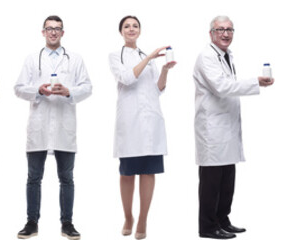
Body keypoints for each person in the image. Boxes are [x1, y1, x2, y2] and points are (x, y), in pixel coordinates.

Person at [194, 15, 275, 240]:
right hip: (211, 129)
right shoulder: (206, 57)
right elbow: (221, 87)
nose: (226, 34)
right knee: (211, 181)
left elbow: (228, 87)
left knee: (227, 178)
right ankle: (208, 227)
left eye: (229, 30)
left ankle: (222, 220)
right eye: (220, 29)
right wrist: (255, 82)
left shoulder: (227, 56)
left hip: (227, 127)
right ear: (211, 33)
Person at [13, 15, 92, 240]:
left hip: (64, 128)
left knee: (66, 178)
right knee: (33, 178)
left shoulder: (75, 59)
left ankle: (67, 223)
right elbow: (18, 88)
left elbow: (88, 87)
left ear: (63, 33)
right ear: (43, 32)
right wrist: (38, 90)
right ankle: (31, 222)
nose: (53, 32)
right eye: (49, 29)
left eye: (57, 29)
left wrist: (69, 92)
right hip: (39, 127)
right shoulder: (32, 59)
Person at [108, 15, 175, 240]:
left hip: (151, 122)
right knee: (127, 173)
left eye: (135, 26)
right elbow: (127, 78)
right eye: (127, 26)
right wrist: (149, 58)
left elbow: (158, 89)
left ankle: (143, 218)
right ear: (121, 31)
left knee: (148, 172)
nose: (131, 29)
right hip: (130, 123)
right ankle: (128, 216)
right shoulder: (115, 56)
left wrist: (164, 69)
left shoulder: (149, 58)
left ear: (140, 30)